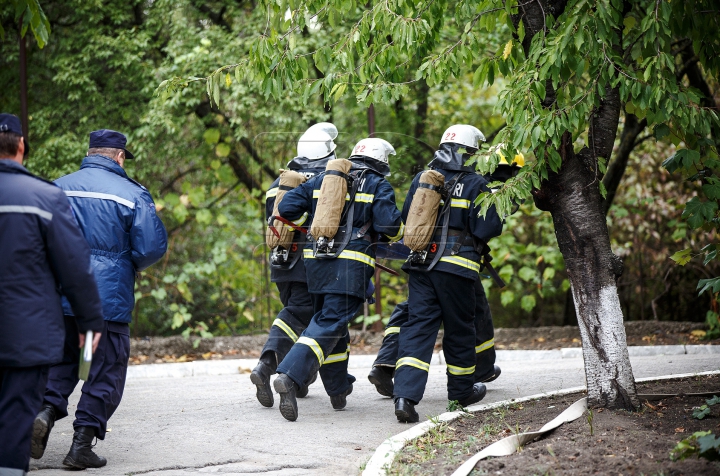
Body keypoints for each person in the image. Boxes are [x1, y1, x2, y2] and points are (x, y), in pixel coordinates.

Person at [31, 129, 168, 469]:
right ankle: (81, 446)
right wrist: (125, 263)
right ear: (119, 157)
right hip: (107, 301)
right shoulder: (132, 194)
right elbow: (151, 248)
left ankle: (45, 413)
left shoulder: (56, 187)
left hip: (61, 299)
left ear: (91, 152)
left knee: (65, 360)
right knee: (102, 368)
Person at [0, 113, 104, 476]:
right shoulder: (44, 197)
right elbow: (75, 269)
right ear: (22, 147)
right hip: (24, 337)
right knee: (14, 420)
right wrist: (89, 324)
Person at [273, 137, 403, 421]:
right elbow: (390, 226)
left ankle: (337, 388)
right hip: (350, 266)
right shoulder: (377, 184)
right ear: (381, 161)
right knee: (329, 323)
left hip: (315, 264)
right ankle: (289, 376)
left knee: (330, 324)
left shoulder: (325, 177)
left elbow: (286, 208)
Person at [393, 125, 503, 423]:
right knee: (459, 329)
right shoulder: (475, 183)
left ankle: (404, 396)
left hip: (420, 266)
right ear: (471, 152)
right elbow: (487, 228)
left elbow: (408, 217)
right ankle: (461, 391)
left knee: (418, 328)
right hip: (457, 268)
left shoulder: (422, 179)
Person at [250, 123, 339, 407]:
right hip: (311, 265)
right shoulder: (327, 182)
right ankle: (266, 366)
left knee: (299, 317)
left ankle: (299, 380)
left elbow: (272, 223)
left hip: (281, 265)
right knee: (304, 317)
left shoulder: (278, 185)